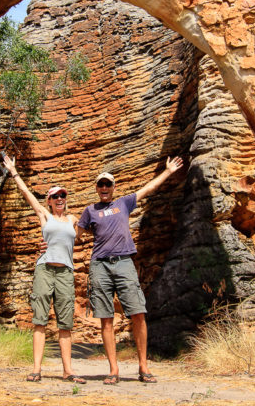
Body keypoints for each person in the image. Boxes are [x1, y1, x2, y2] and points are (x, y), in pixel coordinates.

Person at [77, 156, 184, 385]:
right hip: (100, 265)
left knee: (138, 313)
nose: (104, 188)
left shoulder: (123, 203)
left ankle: (143, 366)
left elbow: (148, 189)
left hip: (124, 263)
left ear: (114, 188)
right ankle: (113, 369)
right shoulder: (90, 211)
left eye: (108, 184)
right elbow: (77, 233)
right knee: (106, 318)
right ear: (96, 188)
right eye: (101, 185)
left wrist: (167, 172)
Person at [3, 154, 86, 384]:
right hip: (45, 270)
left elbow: (90, 230)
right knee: (39, 319)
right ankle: (37, 369)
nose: (60, 198)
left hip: (65, 273)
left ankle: (68, 371)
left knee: (65, 323)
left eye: (63, 195)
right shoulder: (45, 216)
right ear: (49, 201)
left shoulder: (73, 220)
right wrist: (13, 171)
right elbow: (27, 195)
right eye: (55, 196)